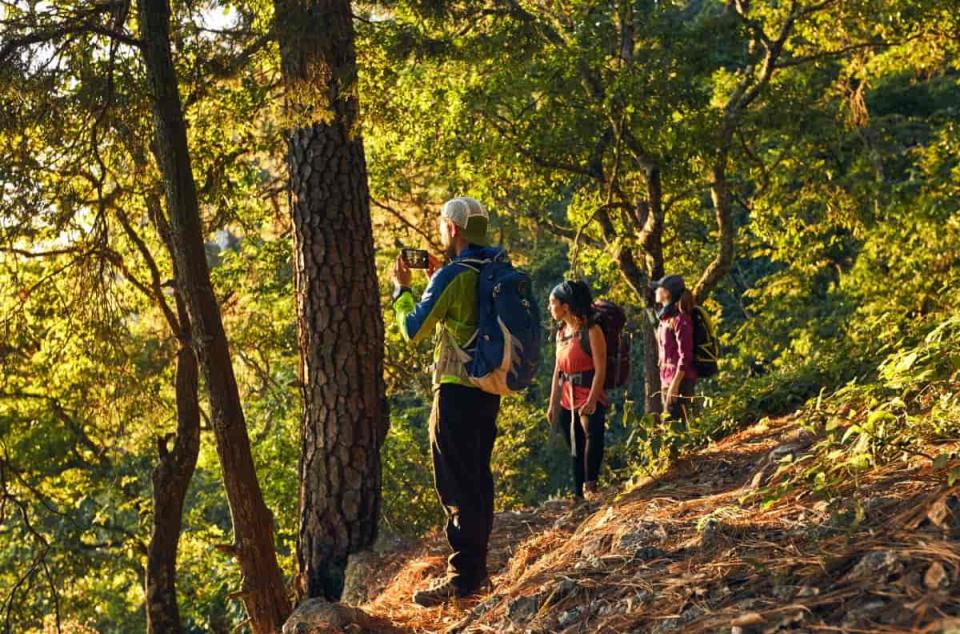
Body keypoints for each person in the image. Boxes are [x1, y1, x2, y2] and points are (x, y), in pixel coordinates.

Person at [391, 196, 502, 607]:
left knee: (456, 484)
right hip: (488, 389)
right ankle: (476, 571)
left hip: (455, 389)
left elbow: (414, 330)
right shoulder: (492, 269)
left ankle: (462, 579)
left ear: (452, 229)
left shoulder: (453, 275)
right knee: (477, 478)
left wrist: (402, 290)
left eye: (441, 224)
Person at [546, 280, 608, 501]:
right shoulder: (561, 333)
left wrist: (592, 400)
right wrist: (552, 404)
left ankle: (590, 487)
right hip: (566, 396)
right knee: (575, 445)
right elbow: (557, 371)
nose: (549, 307)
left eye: (552, 303)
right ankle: (577, 494)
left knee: (593, 437)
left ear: (565, 306)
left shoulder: (592, 330)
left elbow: (601, 368)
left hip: (588, 392)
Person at [649, 275, 698, 424]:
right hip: (668, 379)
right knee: (672, 426)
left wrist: (675, 385)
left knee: (672, 426)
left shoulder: (680, 320)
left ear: (667, 293)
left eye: (659, 288)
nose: (656, 291)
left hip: (680, 380)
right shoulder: (665, 319)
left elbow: (685, 355)